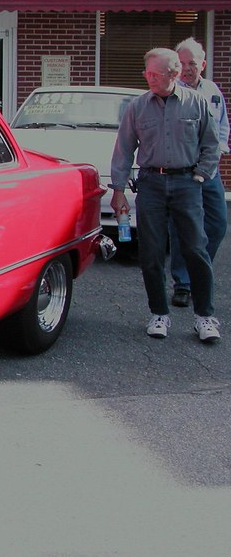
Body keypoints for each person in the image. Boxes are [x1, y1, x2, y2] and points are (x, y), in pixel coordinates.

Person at [109, 47, 221, 342]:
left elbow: (212, 144)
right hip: (151, 185)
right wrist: (118, 191)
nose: (149, 79)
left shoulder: (196, 103)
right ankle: (159, 314)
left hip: (187, 183)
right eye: (146, 73)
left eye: (155, 74)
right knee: (151, 252)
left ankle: (205, 317)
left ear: (173, 74)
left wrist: (200, 176)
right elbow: (123, 150)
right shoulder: (137, 107)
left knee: (196, 249)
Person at [168, 37, 229, 308]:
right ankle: (183, 284)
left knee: (217, 224)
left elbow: (223, 125)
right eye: (181, 64)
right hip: (184, 174)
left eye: (192, 63)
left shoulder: (213, 91)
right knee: (182, 228)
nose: (187, 68)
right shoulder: (170, 92)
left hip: (210, 172)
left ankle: (197, 269)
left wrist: (221, 149)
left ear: (202, 64)